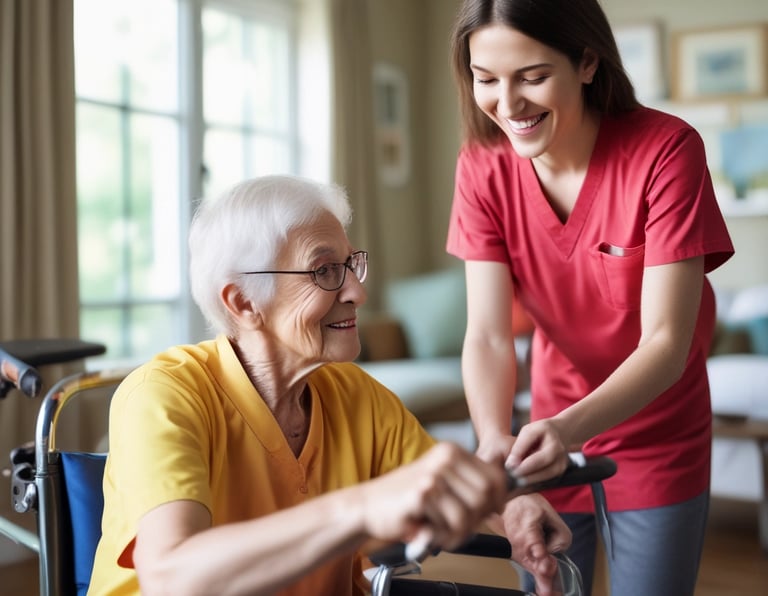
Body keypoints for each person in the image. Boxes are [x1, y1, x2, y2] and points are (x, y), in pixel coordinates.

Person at [87, 175, 572, 596]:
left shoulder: (356, 396)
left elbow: (443, 489)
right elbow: (173, 577)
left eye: (349, 263)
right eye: (323, 271)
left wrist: (511, 507)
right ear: (243, 302)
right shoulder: (162, 396)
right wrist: (362, 507)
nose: (357, 291)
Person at [446, 1, 735, 595]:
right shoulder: (481, 166)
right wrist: (494, 436)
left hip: (658, 427)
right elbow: (489, 334)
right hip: (548, 424)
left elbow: (666, 342)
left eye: (532, 76)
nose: (508, 103)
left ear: (586, 61)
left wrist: (567, 431)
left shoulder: (666, 151)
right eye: (486, 79)